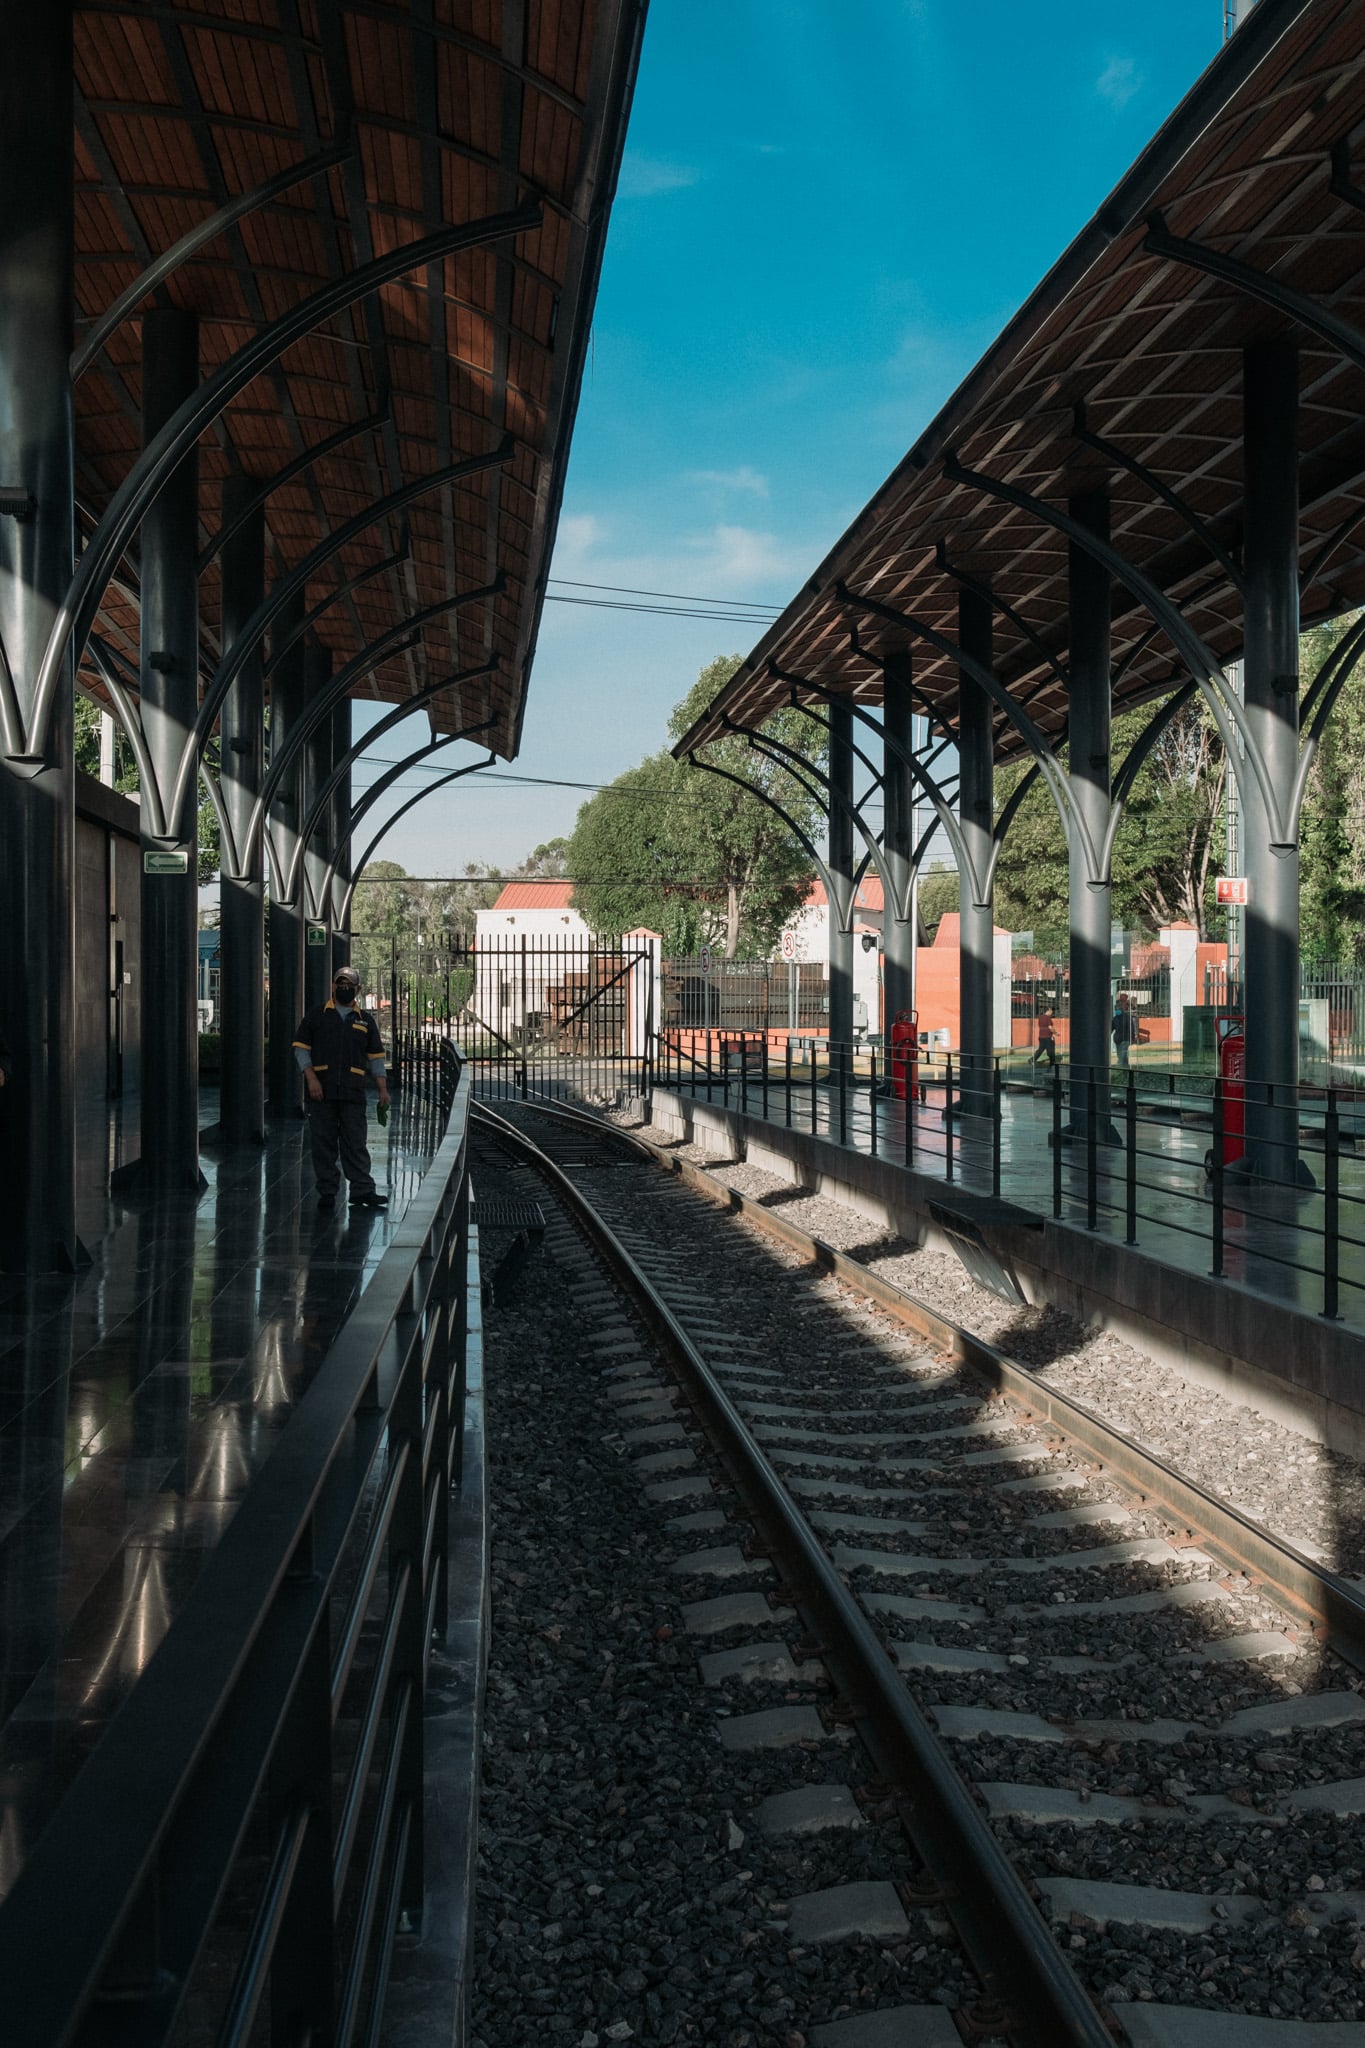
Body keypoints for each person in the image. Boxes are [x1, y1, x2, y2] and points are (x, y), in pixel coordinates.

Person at [294, 967, 391, 1211]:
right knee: (323, 1144)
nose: (344, 987)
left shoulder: (365, 1020)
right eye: (341, 983)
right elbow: (301, 1048)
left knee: (355, 1142)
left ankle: (362, 1190)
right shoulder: (317, 1016)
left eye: (350, 984)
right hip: (322, 1092)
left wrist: (382, 1088)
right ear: (333, 986)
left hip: (352, 1092)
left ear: (358, 989)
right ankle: (327, 1192)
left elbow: (376, 1057)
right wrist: (311, 1078)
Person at [1112, 991, 1141, 1068]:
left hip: (1125, 1039)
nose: (1117, 1010)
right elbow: (1111, 1028)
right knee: (1121, 1055)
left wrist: (1134, 1036)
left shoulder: (1127, 1017)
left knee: (1122, 1055)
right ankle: (1125, 1067)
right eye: (1116, 1009)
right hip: (1118, 1039)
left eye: (1118, 1009)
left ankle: (1121, 1067)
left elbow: (1132, 1027)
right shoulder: (1115, 1018)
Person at [1032, 1004, 1056, 1069]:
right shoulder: (1048, 1018)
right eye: (1051, 1010)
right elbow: (1050, 1027)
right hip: (1048, 1037)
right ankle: (1052, 1063)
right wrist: (1055, 1033)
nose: (1052, 1012)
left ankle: (1032, 1059)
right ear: (1048, 1010)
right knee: (1051, 1050)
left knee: (1040, 1049)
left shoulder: (1040, 1017)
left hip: (1041, 1036)